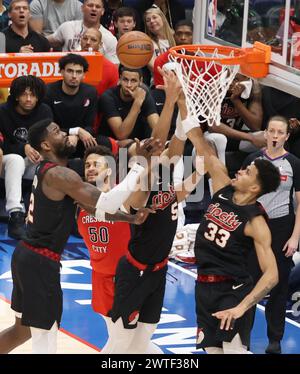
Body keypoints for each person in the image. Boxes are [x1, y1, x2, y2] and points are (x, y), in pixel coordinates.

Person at [0, 118, 161, 354]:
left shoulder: (53, 174)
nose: (64, 133)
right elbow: (107, 201)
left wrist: (130, 219)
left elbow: (94, 208)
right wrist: (137, 165)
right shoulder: (60, 175)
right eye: (56, 131)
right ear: (46, 145)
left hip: (27, 257)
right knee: (46, 333)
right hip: (40, 261)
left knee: (22, 330)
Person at [100, 81, 204, 354]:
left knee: (145, 337)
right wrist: (169, 101)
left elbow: (178, 141)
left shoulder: (165, 176)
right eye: (154, 149)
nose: (162, 148)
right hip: (135, 271)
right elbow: (159, 143)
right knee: (122, 341)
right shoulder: (140, 183)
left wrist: (182, 104)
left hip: (159, 270)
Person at [178, 108, 280, 354]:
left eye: (247, 172)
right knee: (212, 352)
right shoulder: (223, 187)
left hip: (232, 290)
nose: (241, 170)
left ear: (254, 187)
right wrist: (181, 101)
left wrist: (241, 308)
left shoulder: (256, 222)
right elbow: (199, 142)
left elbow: (272, 275)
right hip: (204, 286)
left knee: (233, 352)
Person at [243, 116, 300, 354]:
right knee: (246, 283)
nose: (275, 136)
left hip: (282, 228)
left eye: (280, 132)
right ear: (265, 133)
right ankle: (240, 336)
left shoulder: (295, 163)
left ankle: (274, 340)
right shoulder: (251, 160)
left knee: (278, 286)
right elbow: (240, 196)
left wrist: (295, 237)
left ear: (287, 136)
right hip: (253, 227)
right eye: (272, 131)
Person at [0, 75, 53, 240]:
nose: (29, 99)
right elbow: (2, 144)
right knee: (15, 160)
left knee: (49, 161)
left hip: (32, 163)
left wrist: (38, 151)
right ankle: (15, 215)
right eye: (24, 94)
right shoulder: (3, 111)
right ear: (16, 95)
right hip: (7, 164)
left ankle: (45, 213)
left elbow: (47, 141)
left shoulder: (44, 111)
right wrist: (24, 147)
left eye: (33, 95)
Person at [44, 53, 98, 159]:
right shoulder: (48, 91)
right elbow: (48, 127)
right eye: (70, 71)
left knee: (103, 143)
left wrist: (77, 136)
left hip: (81, 138)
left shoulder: (91, 92)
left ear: (84, 75)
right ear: (61, 72)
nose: (74, 76)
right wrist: (75, 131)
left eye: (78, 72)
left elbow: (90, 126)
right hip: (56, 138)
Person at [98, 65, 158, 141]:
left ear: (140, 81)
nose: (129, 85)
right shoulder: (108, 97)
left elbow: (157, 129)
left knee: (155, 145)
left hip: (138, 143)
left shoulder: (144, 94)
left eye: (133, 81)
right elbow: (121, 135)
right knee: (126, 144)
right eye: (125, 80)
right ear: (119, 79)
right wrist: (137, 102)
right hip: (114, 144)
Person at [47, 0, 118, 64]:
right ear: (82, 8)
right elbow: (44, 42)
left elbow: (113, 69)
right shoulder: (67, 27)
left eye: (98, 7)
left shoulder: (110, 38)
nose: (94, 9)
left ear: (102, 11)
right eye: (90, 5)